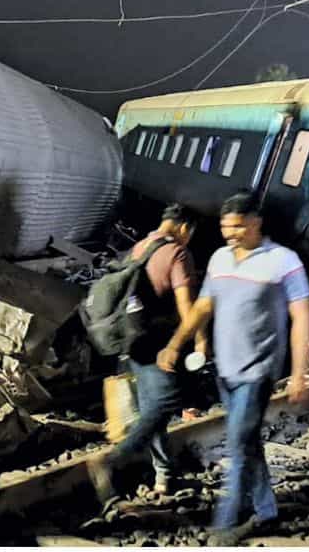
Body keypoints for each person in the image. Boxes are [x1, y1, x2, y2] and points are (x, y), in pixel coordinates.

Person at [158, 192, 309, 544]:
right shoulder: (219, 258)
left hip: (258, 370)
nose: (230, 233)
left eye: (237, 227)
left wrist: (300, 372)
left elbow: (301, 316)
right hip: (224, 369)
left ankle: (225, 525)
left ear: (256, 222)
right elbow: (202, 306)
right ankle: (266, 509)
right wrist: (175, 343)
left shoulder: (283, 261)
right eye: (225, 227)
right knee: (247, 442)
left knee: (239, 443)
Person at [89, 203, 200, 500]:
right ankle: (112, 460)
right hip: (159, 346)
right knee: (162, 406)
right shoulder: (178, 253)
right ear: (185, 228)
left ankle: (164, 477)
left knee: (154, 408)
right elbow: (187, 308)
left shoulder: (140, 247)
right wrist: (198, 340)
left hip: (133, 344)